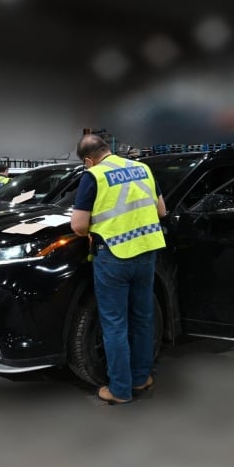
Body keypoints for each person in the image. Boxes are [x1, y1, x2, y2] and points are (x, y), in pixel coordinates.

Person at [70, 134, 167, 404]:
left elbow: (78, 226)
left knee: (114, 325)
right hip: (147, 253)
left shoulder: (95, 176)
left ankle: (120, 390)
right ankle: (141, 378)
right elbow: (161, 211)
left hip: (113, 257)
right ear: (108, 149)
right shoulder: (143, 168)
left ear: (89, 160)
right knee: (142, 318)